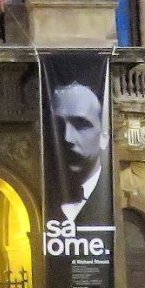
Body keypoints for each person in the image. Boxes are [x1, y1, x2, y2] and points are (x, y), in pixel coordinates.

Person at [44, 79, 110, 230]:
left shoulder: (112, 195)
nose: (67, 137)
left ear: (104, 137)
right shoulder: (39, 195)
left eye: (80, 124)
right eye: (58, 126)